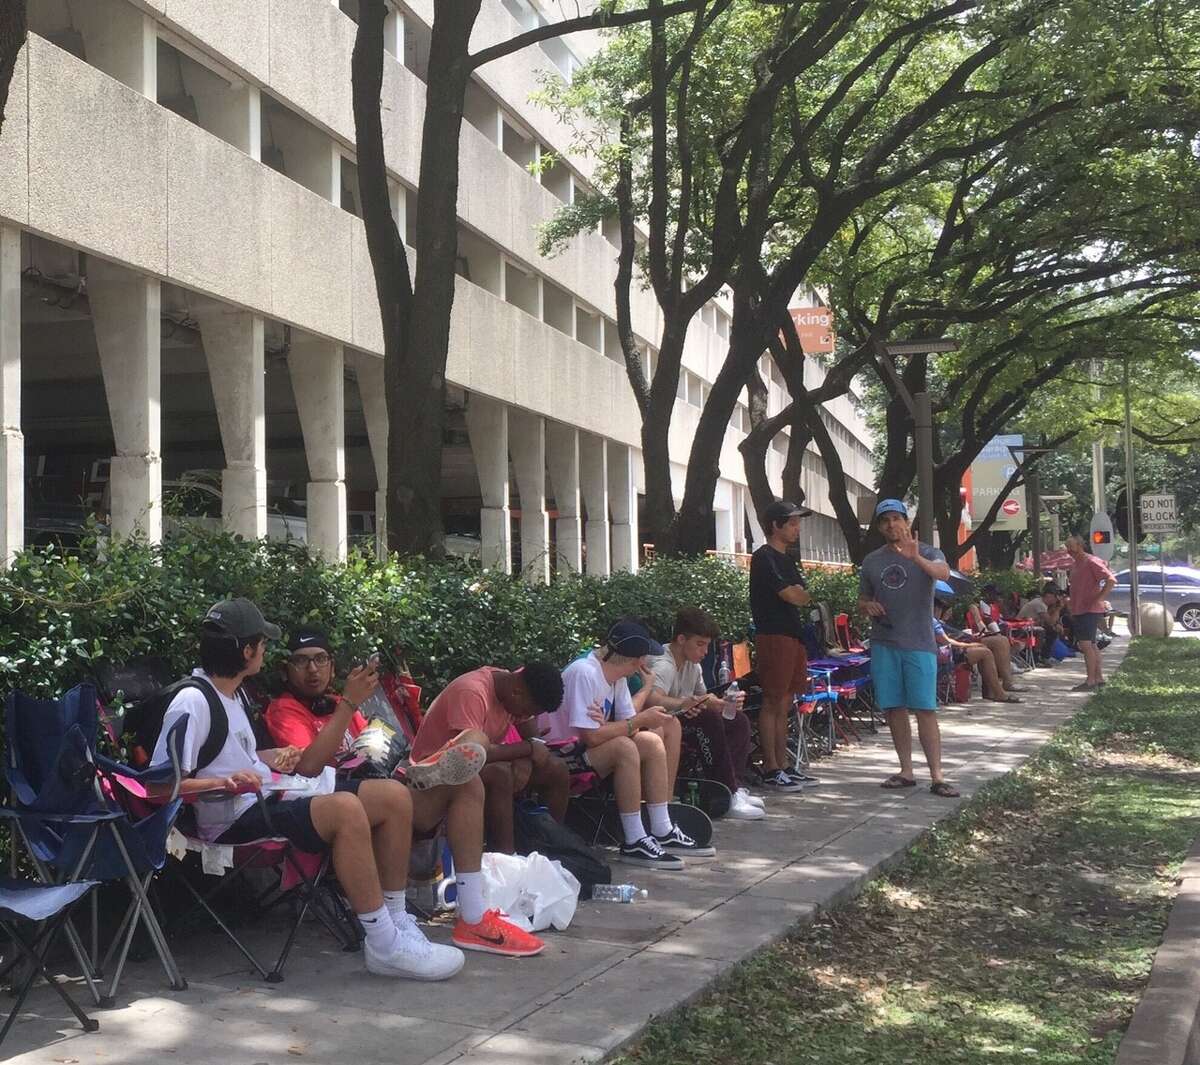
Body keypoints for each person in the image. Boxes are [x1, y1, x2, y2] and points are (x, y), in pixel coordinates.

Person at [148, 601, 466, 979]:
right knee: (345, 809)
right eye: (261, 644)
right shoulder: (193, 701)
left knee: (393, 797)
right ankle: (383, 945)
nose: (265, 650)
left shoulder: (235, 695)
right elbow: (159, 786)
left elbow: (230, 755)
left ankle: (398, 922)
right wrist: (223, 782)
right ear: (247, 652)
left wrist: (268, 756)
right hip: (231, 819)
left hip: (267, 795)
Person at [262, 626, 546, 960]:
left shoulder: (339, 705)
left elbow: (363, 749)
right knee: (434, 779)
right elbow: (310, 766)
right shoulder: (287, 710)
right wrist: (351, 706)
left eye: (320, 659)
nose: (313, 669)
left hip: (373, 785)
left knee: (467, 779)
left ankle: (472, 917)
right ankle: (397, 924)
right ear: (285, 670)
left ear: (332, 666)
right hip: (325, 801)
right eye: (302, 662)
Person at [540, 620, 715, 868]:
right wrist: (636, 721)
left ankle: (662, 828)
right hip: (558, 754)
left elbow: (626, 721)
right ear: (636, 660)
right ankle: (634, 839)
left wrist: (643, 695)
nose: (643, 664)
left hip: (584, 750)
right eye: (642, 659)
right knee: (624, 746)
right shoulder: (585, 673)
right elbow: (593, 736)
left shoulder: (616, 678)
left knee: (650, 741)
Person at [410, 661, 569, 855]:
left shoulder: (515, 688)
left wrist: (527, 757)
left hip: (483, 761)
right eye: (527, 712)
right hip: (439, 767)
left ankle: (553, 849)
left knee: (556, 769)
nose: (525, 716)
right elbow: (471, 752)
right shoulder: (472, 692)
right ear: (516, 692)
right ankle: (504, 858)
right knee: (499, 774)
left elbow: (533, 738)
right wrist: (527, 749)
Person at [858, 500, 960, 798]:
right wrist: (868, 606)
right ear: (879, 527)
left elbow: (943, 574)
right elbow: (862, 599)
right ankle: (905, 771)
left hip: (918, 642)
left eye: (896, 519)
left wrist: (916, 559)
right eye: (885, 520)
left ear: (906, 521)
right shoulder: (872, 561)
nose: (892, 525)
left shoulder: (927, 551)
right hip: (884, 643)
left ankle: (938, 776)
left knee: (925, 709)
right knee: (894, 708)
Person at [644, 608, 764, 820]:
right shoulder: (664, 664)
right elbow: (652, 698)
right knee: (707, 720)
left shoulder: (693, 665)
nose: (705, 651)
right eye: (700, 644)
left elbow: (702, 697)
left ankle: (734, 788)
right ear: (681, 639)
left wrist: (725, 703)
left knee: (737, 720)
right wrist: (685, 703)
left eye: (707, 645)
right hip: (661, 722)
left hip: (683, 718)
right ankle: (724, 791)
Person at [749, 500, 820, 792]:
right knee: (773, 701)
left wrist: (798, 594)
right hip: (774, 636)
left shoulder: (787, 560)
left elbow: (802, 595)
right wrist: (797, 594)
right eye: (791, 523)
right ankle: (770, 767)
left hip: (793, 636)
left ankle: (784, 765)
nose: (796, 528)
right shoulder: (764, 557)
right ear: (775, 525)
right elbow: (793, 595)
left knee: (786, 701)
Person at [934, 602, 1019, 704]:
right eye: (943, 609)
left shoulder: (937, 622)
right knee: (985, 652)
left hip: (955, 645)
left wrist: (972, 639)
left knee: (1001, 640)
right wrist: (970, 645)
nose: (949, 612)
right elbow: (947, 641)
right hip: (947, 652)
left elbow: (954, 635)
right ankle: (998, 693)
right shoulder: (932, 622)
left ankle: (1000, 687)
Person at [1064, 533, 1116, 690]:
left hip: (1089, 610)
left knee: (1085, 645)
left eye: (1071, 547)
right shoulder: (1075, 564)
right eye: (1067, 548)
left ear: (1080, 546)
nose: (1069, 551)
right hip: (1079, 609)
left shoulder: (1091, 561)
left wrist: (1099, 598)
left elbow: (1110, 580)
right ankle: (1098, 678)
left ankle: (1090, 680)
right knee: (1092, 645)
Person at [1017, 585, 1064, 662]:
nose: (1056, 599)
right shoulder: (1039, 604)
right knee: (1050, 631)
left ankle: (1045, 656)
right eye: (1055, 597)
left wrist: (1057, 624)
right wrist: (1058, 609)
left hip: (1031, 626)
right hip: (1022, 628)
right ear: (1049, 595)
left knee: (1052, 630)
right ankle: (1039, 657)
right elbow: (1050, 622)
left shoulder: (1043, 604)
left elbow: (1051, 620)